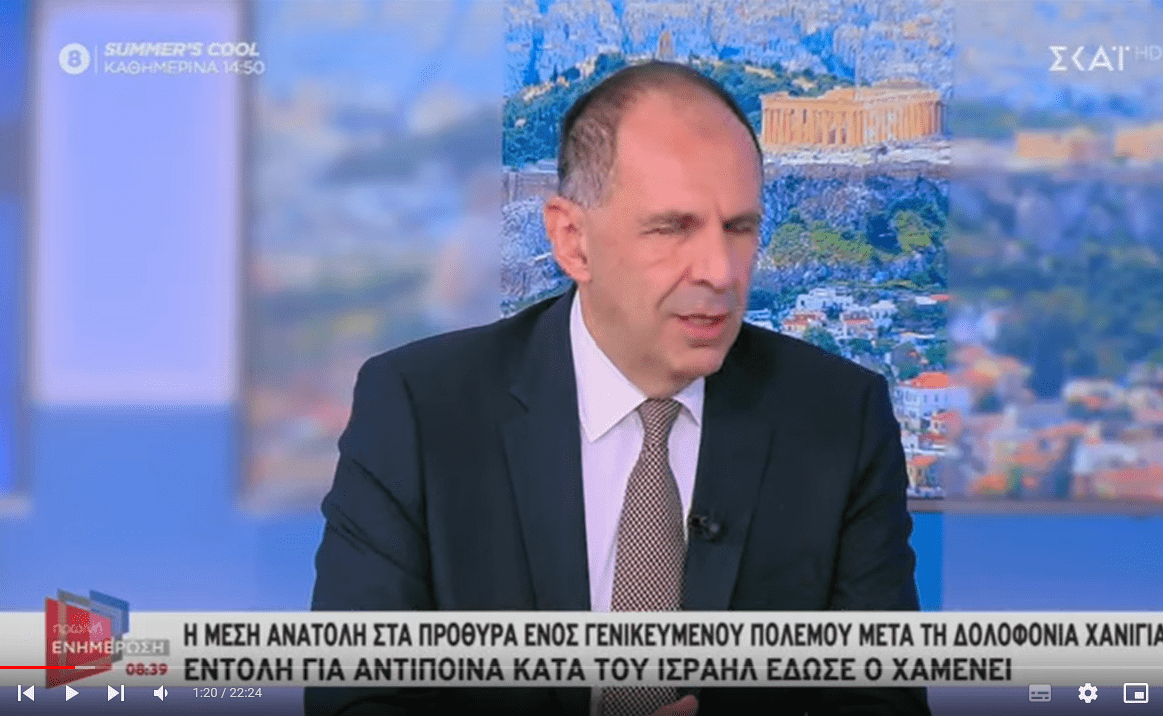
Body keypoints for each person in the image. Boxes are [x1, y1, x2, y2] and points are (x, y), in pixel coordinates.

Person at [307, 61, 929, 716]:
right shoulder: (419, 410)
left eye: (739, 228)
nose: (719, 271)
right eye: (672, 228)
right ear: (572, 241)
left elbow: (883, 703)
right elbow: (354, 701)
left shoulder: (839, 418)